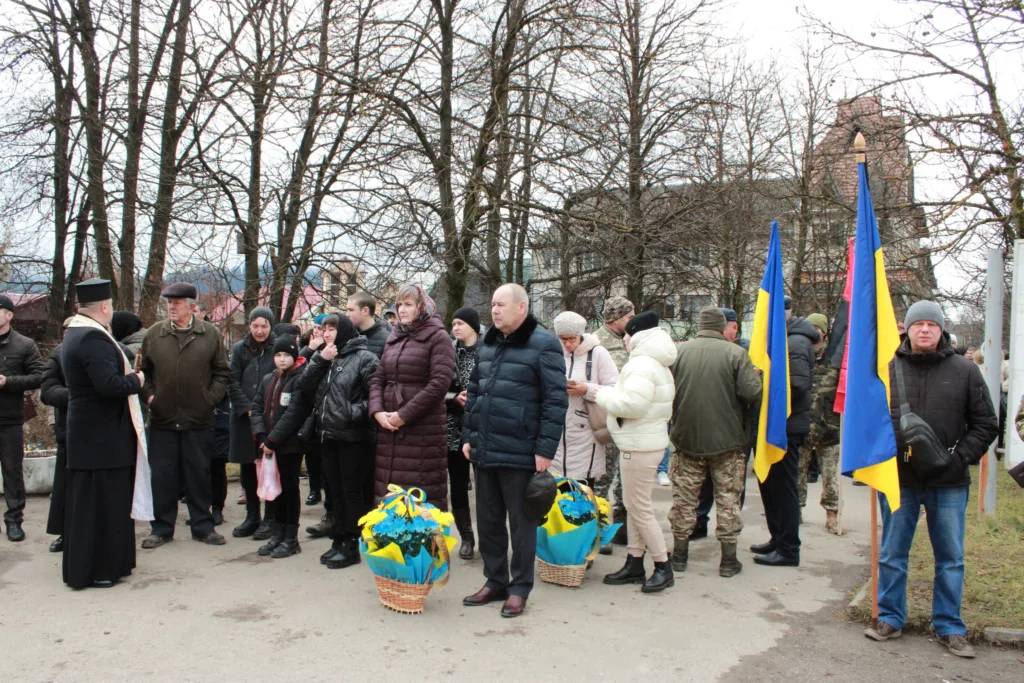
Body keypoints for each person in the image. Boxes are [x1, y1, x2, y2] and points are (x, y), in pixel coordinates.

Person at [865, 301, 998, 659]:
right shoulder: (886, 368)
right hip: (899, 479)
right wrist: (878, 459)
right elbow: (869, 418)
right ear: (907, 329)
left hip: (948, 482)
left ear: (942, 330)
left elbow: (986, 424)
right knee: (892, 553)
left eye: (932, 325)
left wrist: (958, 459)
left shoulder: (966, 370)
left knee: (950, 557)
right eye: (918, 324)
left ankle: (949, 626)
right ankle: (890, 617)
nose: (924, 330)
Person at [461, 284, 567, 618]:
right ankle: (495, 581)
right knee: (488, 521)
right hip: (485, 448)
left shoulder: (544, 343)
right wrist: (469, 436)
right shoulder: (488, 342)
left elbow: (555, 400)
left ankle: (519, 588)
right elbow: (475, 391)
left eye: (501, 304)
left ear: (521, 307)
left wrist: (545, 449)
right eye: (492, 304)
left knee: (522, 526)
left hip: (522, 450)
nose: (494, 310)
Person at [60, 279, 145, 588]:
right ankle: (101, 568)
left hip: (91, 435)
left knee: (92, 504)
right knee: (104, 505)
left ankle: (97, 566)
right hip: (102, 438)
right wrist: (137, 380)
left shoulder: (76, 333)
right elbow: (109, 385)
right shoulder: (92, 338)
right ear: (105, 307)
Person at [666, 307, 761, 578]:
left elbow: (669, 389)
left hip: (686, 439)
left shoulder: (679, 352)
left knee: (684, 501)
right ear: (723, 327)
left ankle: (679, 556)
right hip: (727, 442)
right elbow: (751, 393)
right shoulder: (736, 353)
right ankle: (728, 561)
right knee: (728, 500)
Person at [139, 282, 230, 549]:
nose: (171, 307)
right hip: (163, 419)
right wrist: (151, 398)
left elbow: (222, 372)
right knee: (162, 477)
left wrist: (208, 400)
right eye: (169, 303)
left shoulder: (210, 334)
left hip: (198, 419)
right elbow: (142, 372)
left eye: (177, 303)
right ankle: (161, 529)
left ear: (192, 306)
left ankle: (203, 527)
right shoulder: (154, 334)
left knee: (198, 475)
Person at [596, 311, 677, 593]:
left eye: (628, 334)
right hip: (646, 441)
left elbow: (631, 405)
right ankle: (634, 561)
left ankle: (663, 566)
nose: (625, 339)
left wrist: (600, 394)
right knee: (634, 506)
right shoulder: (656, 361)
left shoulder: (641, 364)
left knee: (639, 508)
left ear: (637, 335)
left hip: (639, 444)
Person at [299, 313, 379, 568]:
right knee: (334, 491)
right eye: (325, 329)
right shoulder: (327, 357)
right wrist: (319, 359)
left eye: (332, 329)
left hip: (353, 437)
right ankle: (338, 538)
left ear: (344, 331)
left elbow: (376, 396)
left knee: (351, 491)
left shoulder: (364, 358)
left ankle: (352, 544)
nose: (327, 333)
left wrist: (348, 413)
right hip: (328, 434)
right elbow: (304, 385)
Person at [369, 284, 455, 508]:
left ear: (422, 307)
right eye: (399, 305)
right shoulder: (394, 336)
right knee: (389, 501)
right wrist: (377, 412)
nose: (402, 310)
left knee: (420, 502)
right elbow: (378, 378)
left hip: (422, 431)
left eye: (408, 304)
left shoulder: (438, 337)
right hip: (389, 429)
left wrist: (403, 415)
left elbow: (439, 384)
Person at [751, 295, 819, 568]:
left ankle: (789, 548)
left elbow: (798, 385)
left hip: (787, 425)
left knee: (784, 486)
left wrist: (761, 384)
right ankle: (777, 538)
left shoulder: (796, 342)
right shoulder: (780, 340)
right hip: (773, 423)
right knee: (769, 484)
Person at [249, 336, 308, 558]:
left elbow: (293, 414)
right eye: (278, 355)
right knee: (275, 490)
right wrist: (262, 435)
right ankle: (277, 533)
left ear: (295, 356)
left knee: (289, 489)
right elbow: (257, 407)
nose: (282, 359)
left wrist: (273, 440)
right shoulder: (269, 379)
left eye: (286, 355)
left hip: (289, 444)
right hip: (269, 444)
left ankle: (291, 537)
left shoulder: (299, 379)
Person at [551, 311, 619, 484]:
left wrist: (586, 389)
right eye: (562, 339)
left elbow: (615, 390)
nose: (567, 344)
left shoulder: (598, 353)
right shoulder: (553, 353)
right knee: (558, 491)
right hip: (557, 432)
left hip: (586, 433)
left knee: (583, 489)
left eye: (571, 339)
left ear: (580, 335)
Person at [228, 307, 278, 540]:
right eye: (255, 326)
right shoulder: (239, 349)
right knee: (247, 468)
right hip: (244, 418)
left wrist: (264, 411)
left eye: (264, 326)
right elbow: (232, 380)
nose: (259, 331)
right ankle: (252, 516)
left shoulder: (276, 348)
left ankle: (271, 518)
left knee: (268, 469)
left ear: (270, 327)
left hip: (269, 418)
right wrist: (247, 408)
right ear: (249, 326)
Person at [0, 293, 45, 542]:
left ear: (9, 315)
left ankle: (14, 521)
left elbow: (39, 376)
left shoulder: (24, 345)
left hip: (9, 419)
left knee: (13, 473)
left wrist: (7, 382)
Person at [593, 296, 635, 543]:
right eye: (629, 317)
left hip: (629, 421)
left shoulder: (631, 341)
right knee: (603, 476)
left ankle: (620, 527)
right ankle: (598, 530)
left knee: (625, 477)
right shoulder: (596, 342)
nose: (631, 321)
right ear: (616, 318)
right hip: (606, 420)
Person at [797, 312, 842, 534]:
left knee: (830, 477)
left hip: (829, 428)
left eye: (817, 329)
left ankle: (832, 515)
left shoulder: (835, 359)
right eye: (810, 328)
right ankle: (795, 511)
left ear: (824, 332)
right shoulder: (798, 353)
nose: (813, 333)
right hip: (801, 427)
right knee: (797, 474)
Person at [445, 307, 482, 560]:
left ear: (473, 327)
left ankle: (489, 537)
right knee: (457, 484)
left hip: (481, 425)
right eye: (454, 323)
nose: (456, 328)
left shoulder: (488, 351)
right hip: (453, 427)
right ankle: (466, 537)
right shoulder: (447, 351)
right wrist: (453, 397)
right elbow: (436, 385)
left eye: (460, 323)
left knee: (486, 487)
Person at [40, 317, 75, 552]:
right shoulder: (59, 354)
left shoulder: (108, 349)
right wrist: (76, 395)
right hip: (68, 432)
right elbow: (47, 391)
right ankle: (65, 533)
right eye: (67, 331)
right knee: (65, 488)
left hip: (101, 436)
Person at [301, 313, 328, 508]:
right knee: (311, 453)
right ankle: (313, 489)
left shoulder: (334, 348)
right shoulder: (307, 346)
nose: (319, 332)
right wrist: (310, 348)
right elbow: (297, 364)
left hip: (327, 406)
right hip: (310, 407)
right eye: (317, 328)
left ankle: (326, 487)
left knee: (326, 452)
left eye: (322, 329)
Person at [347, 291, 391, 358]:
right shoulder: (348, 337)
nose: (347, 314)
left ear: (365, 311)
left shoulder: (387, 340)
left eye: (351, 310)